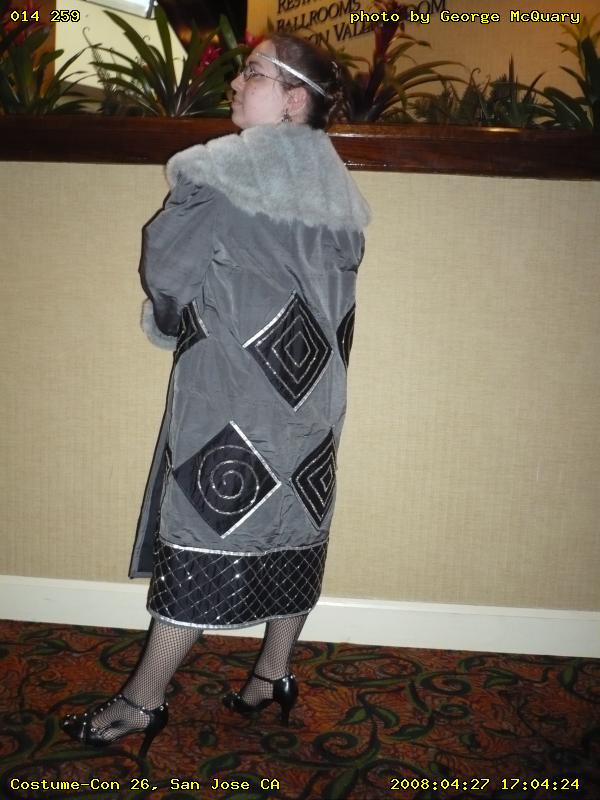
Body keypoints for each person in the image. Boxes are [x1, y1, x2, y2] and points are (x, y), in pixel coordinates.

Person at [62, 32, 370, 756]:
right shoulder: (342, 194)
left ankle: (143, 701)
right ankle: (272, 675)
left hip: (233, 390)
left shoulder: (220, 172)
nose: (235, 82)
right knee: (294, 522)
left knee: (205, 529)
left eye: (252, 72)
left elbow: (167, 272)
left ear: (292, 99)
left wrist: (174, 323)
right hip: (315, 397)